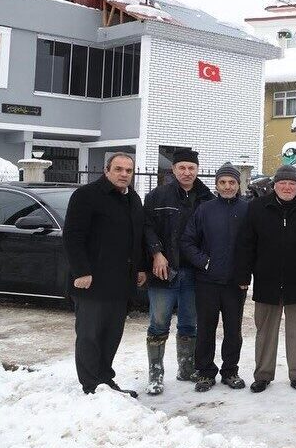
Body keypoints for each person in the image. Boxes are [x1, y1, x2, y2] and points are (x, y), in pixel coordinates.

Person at [63, 152, 147, 396]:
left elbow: (136, 237)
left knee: (111, 335)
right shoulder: (86, 196)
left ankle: (105, 379)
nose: (124, 174)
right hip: (92, 282)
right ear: (107, 170)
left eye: (128, 171)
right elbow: (73, 235)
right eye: (118, 169)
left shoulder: (133, 199)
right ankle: (91, 385)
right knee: (90, 335)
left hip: (120, 282)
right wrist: (81, 271)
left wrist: (140, 267)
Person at [236, 165, 296, 392]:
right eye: (283, 183)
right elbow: (247, 244)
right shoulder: (257, 208)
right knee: (265, 331)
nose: (287, 187)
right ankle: (263, 374)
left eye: (292, 183)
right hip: (267, 279)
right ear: (274, 185)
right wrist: (244, 274)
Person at [142, 148, 214, 395]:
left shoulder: (207, 198)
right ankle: (156, 374)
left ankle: (186, 367)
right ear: (173, 170)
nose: (186, 172)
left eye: (191, 168)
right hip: (164, 272)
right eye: (181, 168)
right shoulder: (157, 197)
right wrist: (156, 253)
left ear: (197, 170)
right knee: (159, 322)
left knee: (189, 324)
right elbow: (147, 228)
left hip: (194, 273)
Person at [182, 162, 249, 392]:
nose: (227, 186)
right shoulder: (205, 210)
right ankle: (205, 372)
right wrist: (205, 261)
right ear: (216, 184)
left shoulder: (247, 209)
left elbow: (255, 244)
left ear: (238, 185)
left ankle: (230, 370)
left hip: (235, 283)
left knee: (233, 330)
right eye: (223, 182)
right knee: (206, 329)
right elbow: (187, 242)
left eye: (231, 182)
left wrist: (246, 271)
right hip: (207, 281)